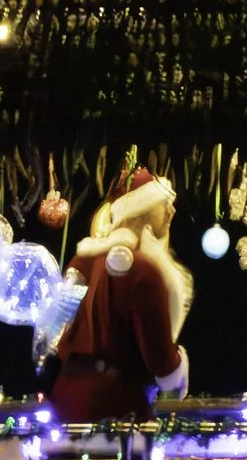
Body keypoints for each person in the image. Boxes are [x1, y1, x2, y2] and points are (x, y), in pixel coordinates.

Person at [51, 167, 190, 421]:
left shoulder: (83, 260)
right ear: (144, 207)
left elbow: (58, 332)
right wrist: (177, 367)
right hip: (116, 409)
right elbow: (159, 358)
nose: (172, 211)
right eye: (165, 203)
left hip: (67, 403)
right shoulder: (143, 269)